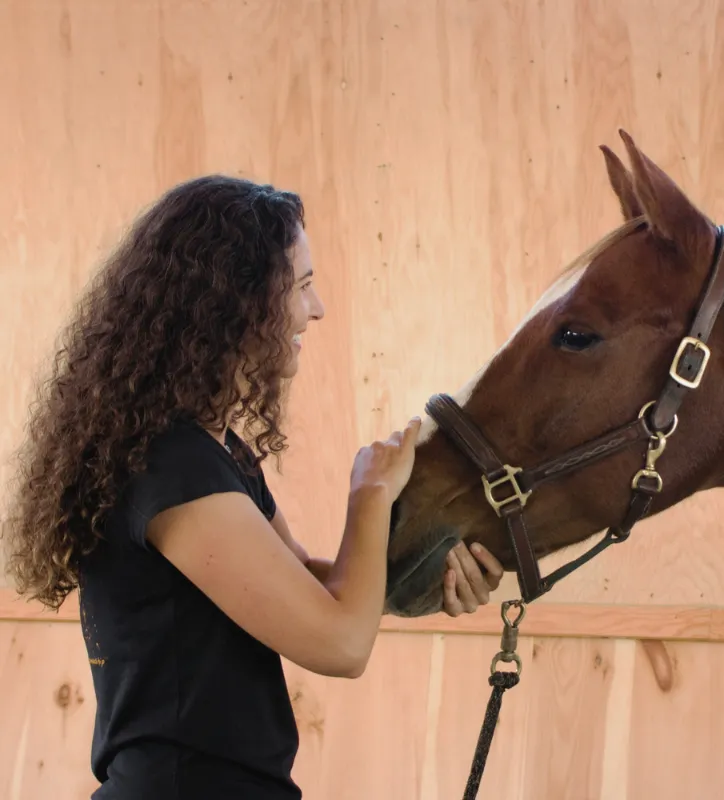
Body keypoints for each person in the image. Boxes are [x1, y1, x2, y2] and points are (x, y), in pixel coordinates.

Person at [0, 175, 505, 799]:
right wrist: (369, 495)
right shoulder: (171, 468)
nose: (315, 310)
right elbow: (341, 644)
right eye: (302, 287)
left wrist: (420, 581)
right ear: (235, 303)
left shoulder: (215, 451)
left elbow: (310, 588)